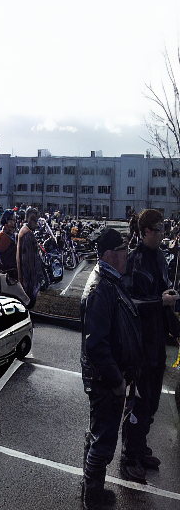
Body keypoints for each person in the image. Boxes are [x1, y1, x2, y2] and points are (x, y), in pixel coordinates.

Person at [81, 228, 143, 510]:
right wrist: (116, 379)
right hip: (105, 380)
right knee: (103, 442)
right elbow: (96, 345)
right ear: (108, 254)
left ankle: (90, 489)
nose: (126, 255)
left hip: (107, 377)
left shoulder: (109, 280)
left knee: (99, 433)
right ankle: (93, 498)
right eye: (122, 251)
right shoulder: (101, 288)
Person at [120, 209, 178, 482]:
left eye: (165, 229)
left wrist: (173, 324)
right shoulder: (135, 261)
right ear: (146, 231)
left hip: (157, 344)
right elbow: (129, 303)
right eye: (159, 229)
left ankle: (140, 447)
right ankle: (129, 456)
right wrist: (160, 301)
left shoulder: (160, 258)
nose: (164, 234)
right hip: (140, 346)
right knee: (138, 402)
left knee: (152, 402)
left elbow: (161, 295)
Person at [16, 206, 43, 308]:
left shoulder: (25, 231)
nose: (34, 222)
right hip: (28, 278)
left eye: (36, 219)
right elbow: (28, 261)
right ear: (27, 218)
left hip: (26, 277)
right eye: (32, 219)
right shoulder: (27, 234)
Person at [0, 210, 17, 278]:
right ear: (6, 222)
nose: (14, 222)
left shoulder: (10, 234)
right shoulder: (3, 236)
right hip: (9, 274)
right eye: (12, 220)